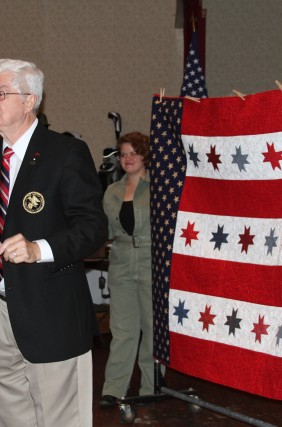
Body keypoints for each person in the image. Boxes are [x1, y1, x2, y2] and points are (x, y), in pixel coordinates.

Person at [0, 58, 107, 426]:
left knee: (60, 416)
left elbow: (94, 226)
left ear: (30, 100)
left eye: (1, 93)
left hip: (51, 309)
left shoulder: (65, 153)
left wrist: (39, 249)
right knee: (12, 412)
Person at [100, 131, 160, 407]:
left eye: (133, 153)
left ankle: (152, 386)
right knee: (122, 330)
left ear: (145, 155)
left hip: (151, 261)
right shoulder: (111, 191)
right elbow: (108, 231)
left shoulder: (159, 186)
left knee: (150, 328)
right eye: (123, 154)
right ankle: (113, 388)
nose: (128, 159)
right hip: (121, 262)